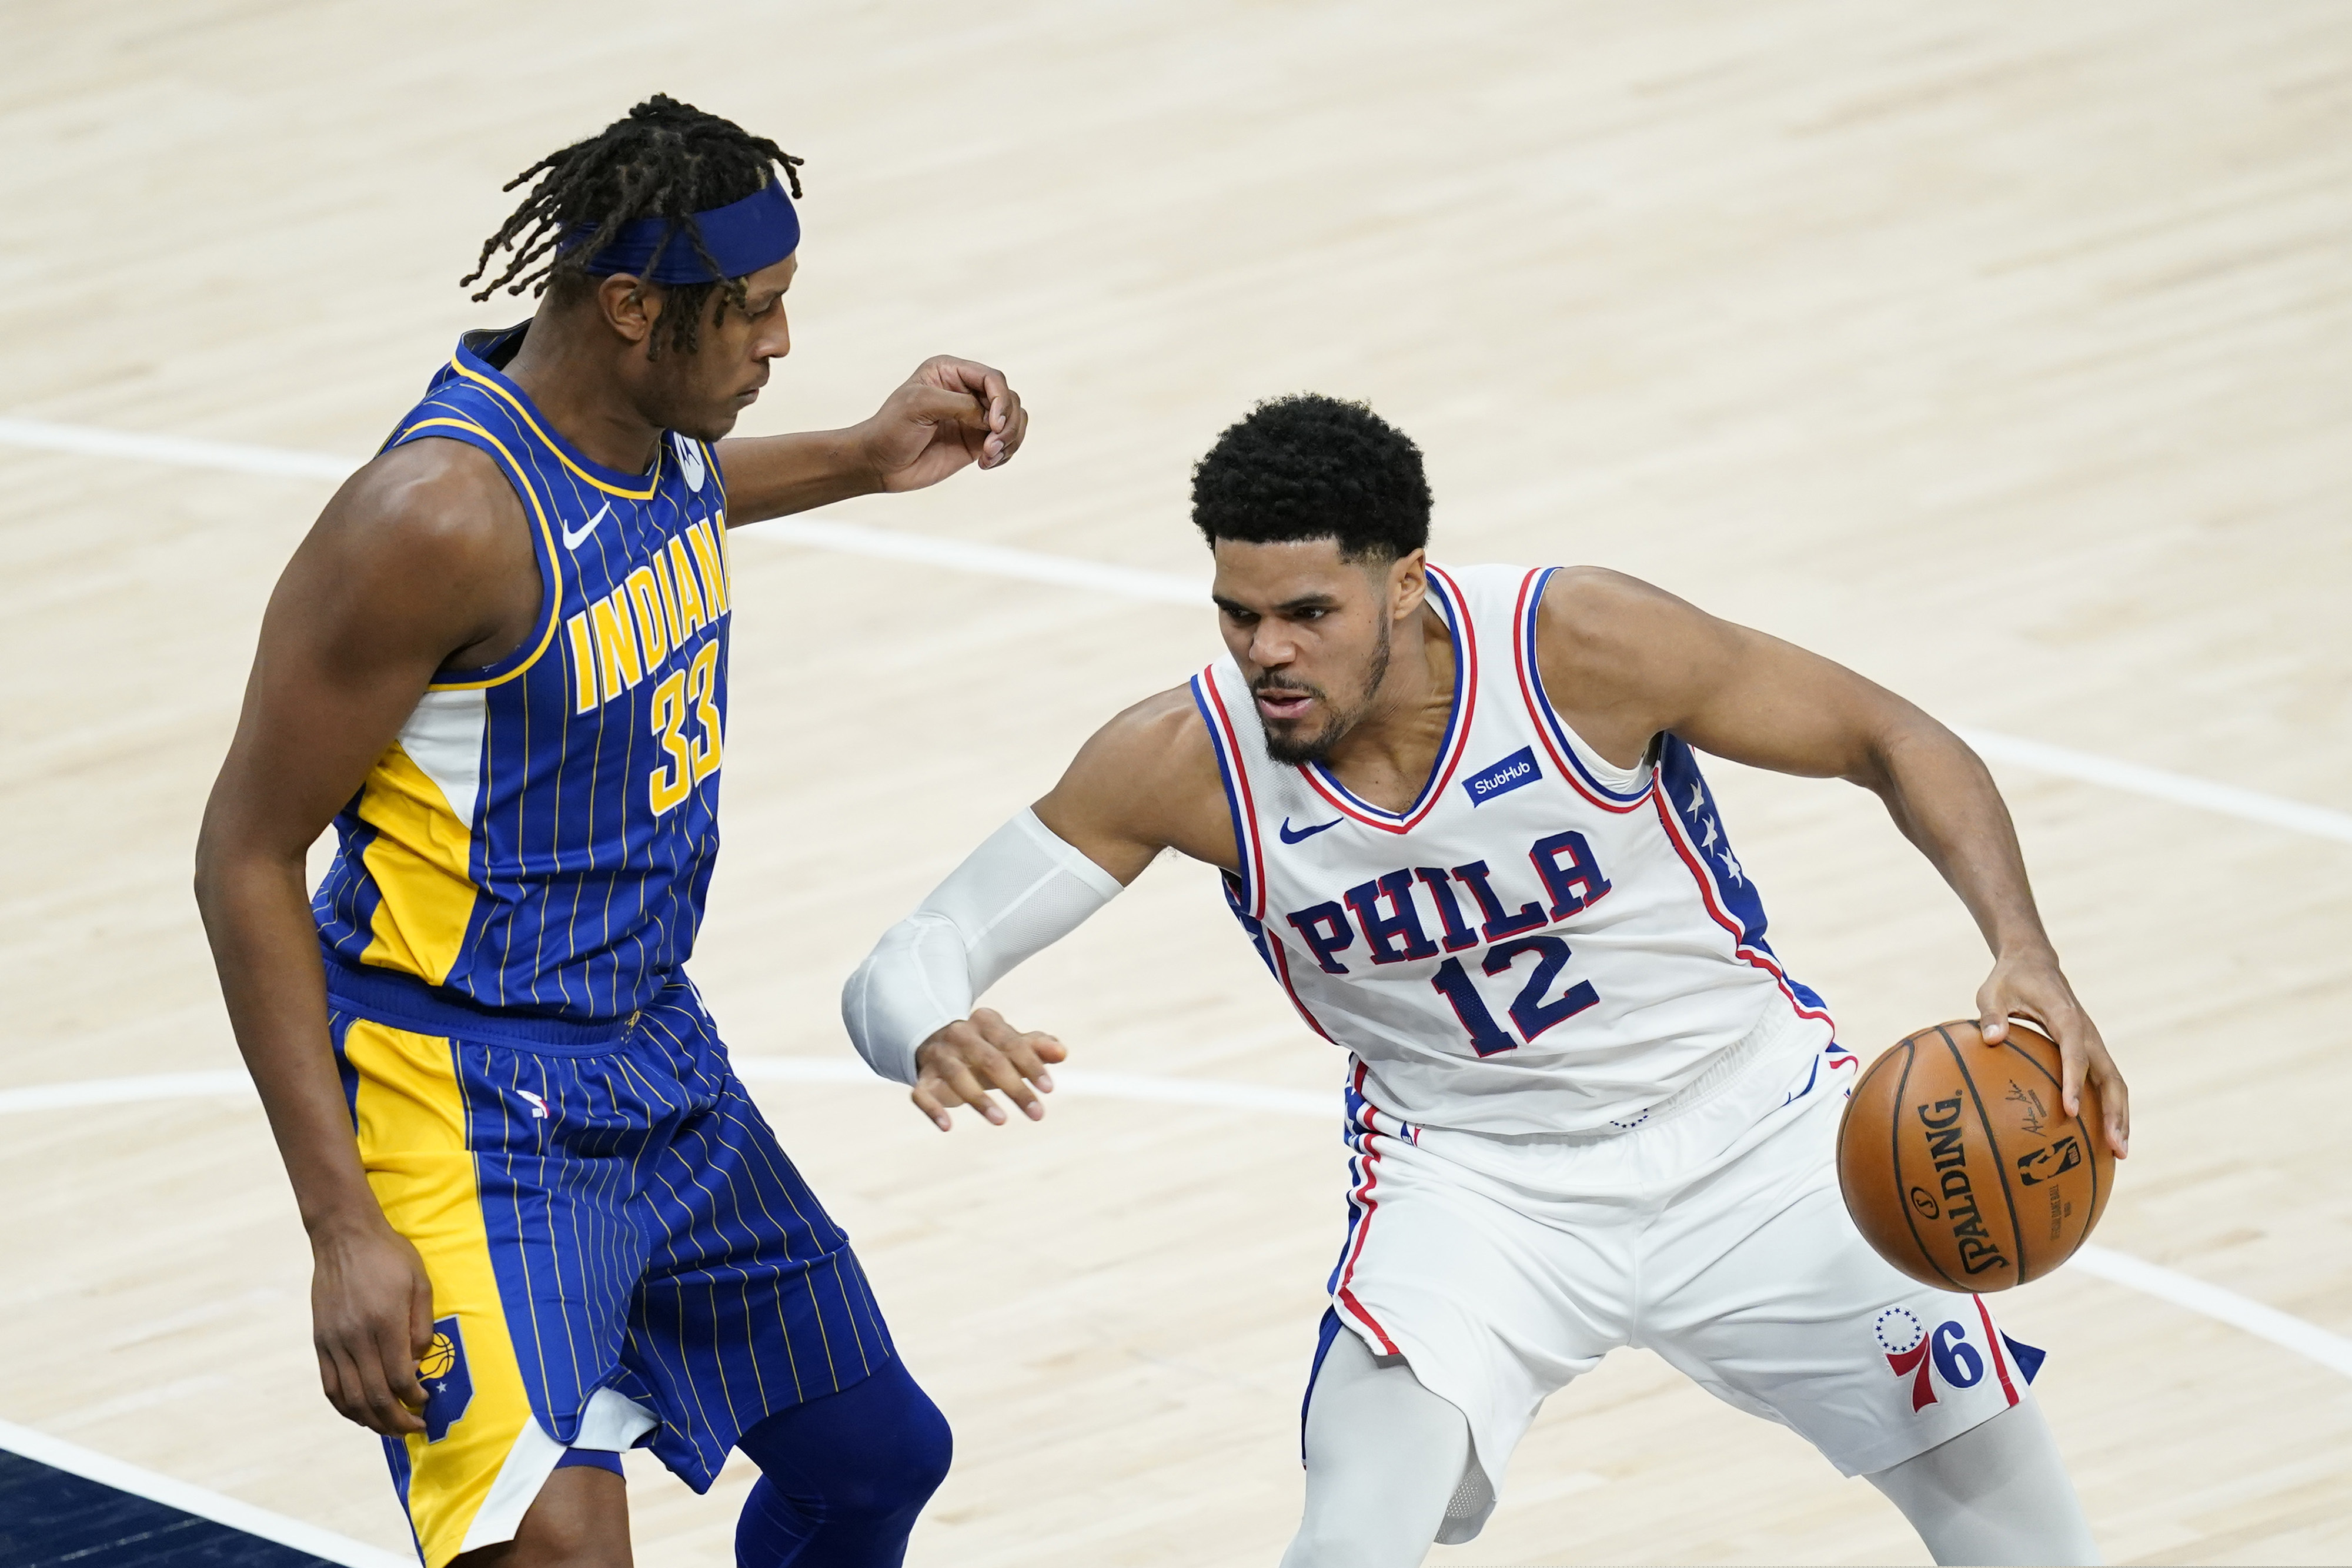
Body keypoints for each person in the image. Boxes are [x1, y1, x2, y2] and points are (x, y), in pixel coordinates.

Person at [840, 394, 2130, 1567]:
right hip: (1475, 1188)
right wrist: (926, 1031)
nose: (1266, 653)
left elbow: (1888, 735)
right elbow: (905, 960)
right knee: (1349, 1536)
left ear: (1404, 583)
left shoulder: (1576, 645)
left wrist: (2023, 948)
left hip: (1758, 1137)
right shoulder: (1180, 758)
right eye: (1238, 613)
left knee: (2029, 1542)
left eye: (1307, 614)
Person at [194, 96, 1027, 1568]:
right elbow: (243, 857)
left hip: (653, 1053)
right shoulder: (433, 521)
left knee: (875, 1462)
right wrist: (342, 1231)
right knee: (568, 1553)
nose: (778, 344)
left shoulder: (647, 431)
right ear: (635, 307)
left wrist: (858, 452)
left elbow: (669, 508)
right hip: (466, 1095)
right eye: (756, 314)